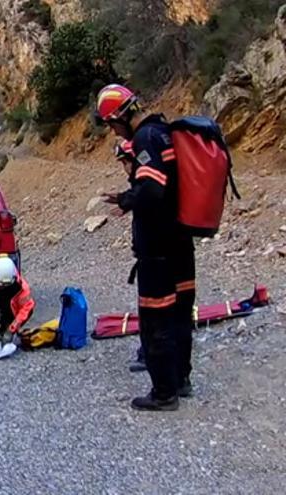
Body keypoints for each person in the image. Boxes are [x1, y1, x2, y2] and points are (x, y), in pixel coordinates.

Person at [95, 83, 196, 411]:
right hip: (181, 243)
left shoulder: (145, 138)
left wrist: (126, 199)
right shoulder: (165, 131)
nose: (113, 131)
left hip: (159, 250)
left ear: (120, 116)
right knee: (180, 314)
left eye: (111, 124)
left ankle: (164, 393)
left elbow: (152, 189)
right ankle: (181, 379)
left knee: (155, 319)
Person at [112, 140, 148, 373]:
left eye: (125, 161)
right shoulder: (145, 185)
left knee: (153, 310)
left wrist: (125, 201)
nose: (124, 167)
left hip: (153, 257)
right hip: (155, 255)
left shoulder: (148, 184)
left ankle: (151, 355)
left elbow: (145, 197)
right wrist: (124, 201)